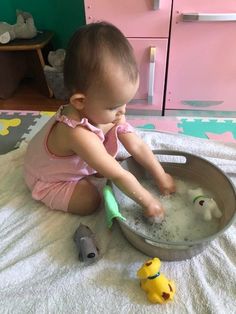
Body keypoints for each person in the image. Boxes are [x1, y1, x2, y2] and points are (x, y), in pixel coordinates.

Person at [23, 22, 175, 220]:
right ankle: (76, 178)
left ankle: (90, 167)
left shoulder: (103, 110)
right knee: (90, 200)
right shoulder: (77, 134)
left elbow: (136, 143)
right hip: (48, 179)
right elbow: (118, 175)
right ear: (80, 101)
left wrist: (160, 175)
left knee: (108, 162)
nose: (123, 111)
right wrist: (149, 201)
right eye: (114, 107)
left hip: (68, 159)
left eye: (125, 103)